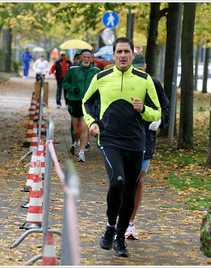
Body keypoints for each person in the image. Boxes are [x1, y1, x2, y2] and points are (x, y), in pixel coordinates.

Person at [81, 37, 162, 258]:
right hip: (110, 140)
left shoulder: (145, 80)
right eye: (119, 52)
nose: (123, 55)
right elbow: (86, 103)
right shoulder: (102, 77)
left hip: (136, 143)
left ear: (133, 55)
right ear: (114, 55)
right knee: (118, 182)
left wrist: (143, 109)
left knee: (130, 191)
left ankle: (119, 239)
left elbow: (157, 113)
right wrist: (92, 123)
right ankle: (110, 225)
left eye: (127, 51)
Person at [124, 53, 171, 240]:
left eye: (140, 68)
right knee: (124, 180)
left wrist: (159, 122)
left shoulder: (154, 83)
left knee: (140, 179)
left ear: (146, 67)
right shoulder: (120, 83)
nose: (138, 72)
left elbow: (165, 107)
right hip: (124, 138)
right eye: (134, 69)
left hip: (146, 139)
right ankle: (119, 217)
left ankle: (131, 222)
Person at [62, 49, 100, 162]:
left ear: (92, 59)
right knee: (76, 129)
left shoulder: (96, 71)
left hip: (88, 102)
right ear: (80, 58)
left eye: (89, 57)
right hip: (74, 101)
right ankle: (76, 142)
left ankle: (82, 152)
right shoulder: (72, 70)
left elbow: (101, 85)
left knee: (84, 127)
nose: (86, 59)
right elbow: (64, 83)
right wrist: (73, 88)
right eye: (84, 57)